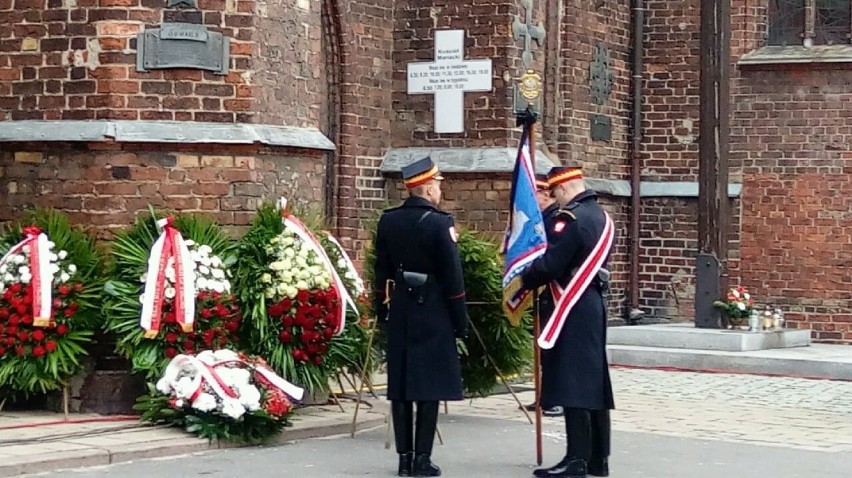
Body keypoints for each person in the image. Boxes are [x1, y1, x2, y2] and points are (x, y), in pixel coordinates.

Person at [373, 156, 469, 477]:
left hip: (399, 311)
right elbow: (454, 280)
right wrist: (460, 321)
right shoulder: (441, 223)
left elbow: (381, 272)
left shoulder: (388, 220)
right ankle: (422, 460)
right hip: (434, 313)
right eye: (438, 184)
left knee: (400, 389)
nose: (440, 189)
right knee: (428, 391)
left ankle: (403, 459)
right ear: (427, 188)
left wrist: (383, 311)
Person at [520, 166, 615, 478]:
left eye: (554, 192)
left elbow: (551, 265)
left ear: (562, 190)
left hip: (569, 305)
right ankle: (598, 459)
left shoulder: (569, 219)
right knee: (594, 382)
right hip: (591, 306)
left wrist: (524, 276)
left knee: (573, 383)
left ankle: (576, 460)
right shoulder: (603, 217)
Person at [522, 173, 564, 418]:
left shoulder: (556, 220)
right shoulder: (538, 219)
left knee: (553, 346)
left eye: (534, 194)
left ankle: (556, 398)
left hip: (554, 291)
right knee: (542, 347)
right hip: (541, 291)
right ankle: (544, 395)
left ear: (546, 194)